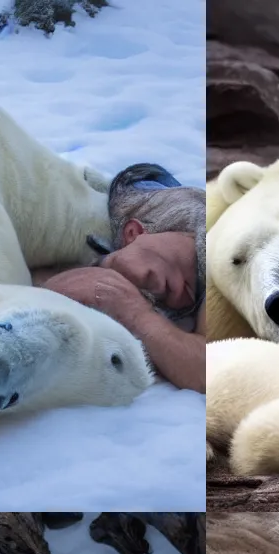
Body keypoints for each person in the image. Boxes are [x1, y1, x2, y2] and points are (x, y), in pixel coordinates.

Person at [37, 164, 206, 393]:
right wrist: (136, 313)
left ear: (133, 233)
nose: (178, 300)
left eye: (147, 279)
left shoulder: (144, 205)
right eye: (146, 297)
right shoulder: (211, 277)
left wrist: (134, 310)